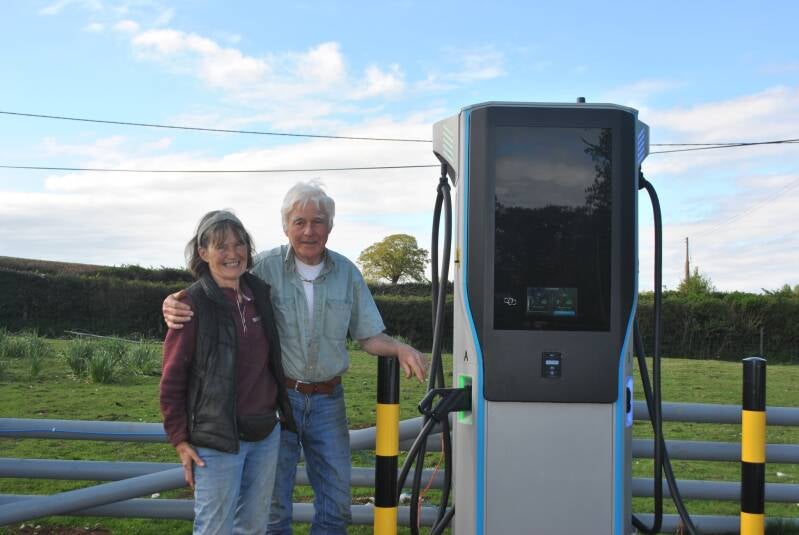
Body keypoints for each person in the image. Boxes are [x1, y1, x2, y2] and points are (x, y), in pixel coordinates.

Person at [163, 181, 428, 535]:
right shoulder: (263, 269)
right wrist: (172, 301)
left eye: (318, 221)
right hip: (279, 403)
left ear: (330, 227)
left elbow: (369, 336)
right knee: (271, 510)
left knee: (335, 505)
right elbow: (215, 279)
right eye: (299, 221)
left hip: (327, 401)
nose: (308, 230)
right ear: (285, 225)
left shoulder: (347, 273)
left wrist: (400, 348)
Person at [160, 210, 297, 534]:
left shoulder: (259, 293)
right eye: (221, 246)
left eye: (239, 244)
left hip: (265, 433)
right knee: (215, 529)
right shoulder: (191, 304)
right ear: (202, 253)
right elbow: (171, 382)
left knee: (253, 528)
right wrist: (180, 440)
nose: (232, 253)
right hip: (216, 440)